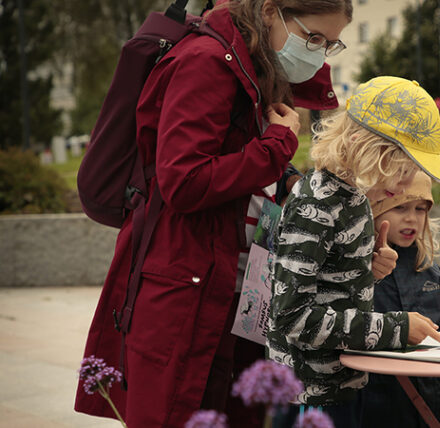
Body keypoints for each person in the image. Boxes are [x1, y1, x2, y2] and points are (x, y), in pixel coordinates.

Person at [75, 1, 352, 427]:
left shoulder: (258, 69)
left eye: (330, 45)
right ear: (268, 11)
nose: (317, 52)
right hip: (187, 293)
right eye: (313, 37)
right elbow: (183, 181)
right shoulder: (207, 61)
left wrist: (289, 182)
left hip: (237, 295)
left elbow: (240, 172)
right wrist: (276, 147)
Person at [267, 76, 440, 428]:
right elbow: (291, 318)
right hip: (308, 396)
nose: (404, 186)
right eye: (401, 170)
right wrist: (397, 328)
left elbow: (326, 282)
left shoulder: (355, 197)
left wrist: (364, 269)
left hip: (344, 384)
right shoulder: (318, 201)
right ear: (361, 146)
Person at [359, 171, 440, 428]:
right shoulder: (357, 271)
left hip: (431, 407)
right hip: (375, 406)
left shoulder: (432, 273)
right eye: (400, 207)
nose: (411, 218)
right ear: (374, 209)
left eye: (421, 208)